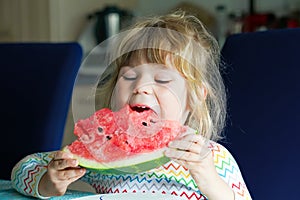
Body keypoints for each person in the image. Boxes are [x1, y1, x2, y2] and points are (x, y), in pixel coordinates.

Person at [11, 11, 252, 200]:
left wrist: (209, 179)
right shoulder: (100, 152)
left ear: (196, 96)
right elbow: (23, 169)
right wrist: (47, 182)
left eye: (162, 79)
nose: (141, 87)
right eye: (128, 77)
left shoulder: (213, 158)